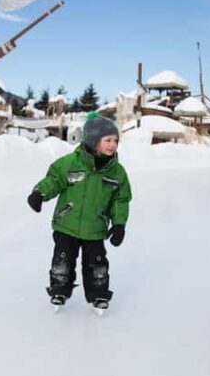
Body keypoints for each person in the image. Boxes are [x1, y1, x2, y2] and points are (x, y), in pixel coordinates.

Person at [27, 112, 132, 312]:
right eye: (108, 140)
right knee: (63, 259)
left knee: (97, 264)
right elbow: (54, 180)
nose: (113, 144)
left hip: (95, 227)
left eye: (115, 140)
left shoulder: (117, 172)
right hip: (67, 224)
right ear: (93, 140)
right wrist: (39, 193)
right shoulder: (70, 163)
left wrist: (119, 224)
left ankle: (99, 294)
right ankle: (59, 289)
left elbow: (120, 200)